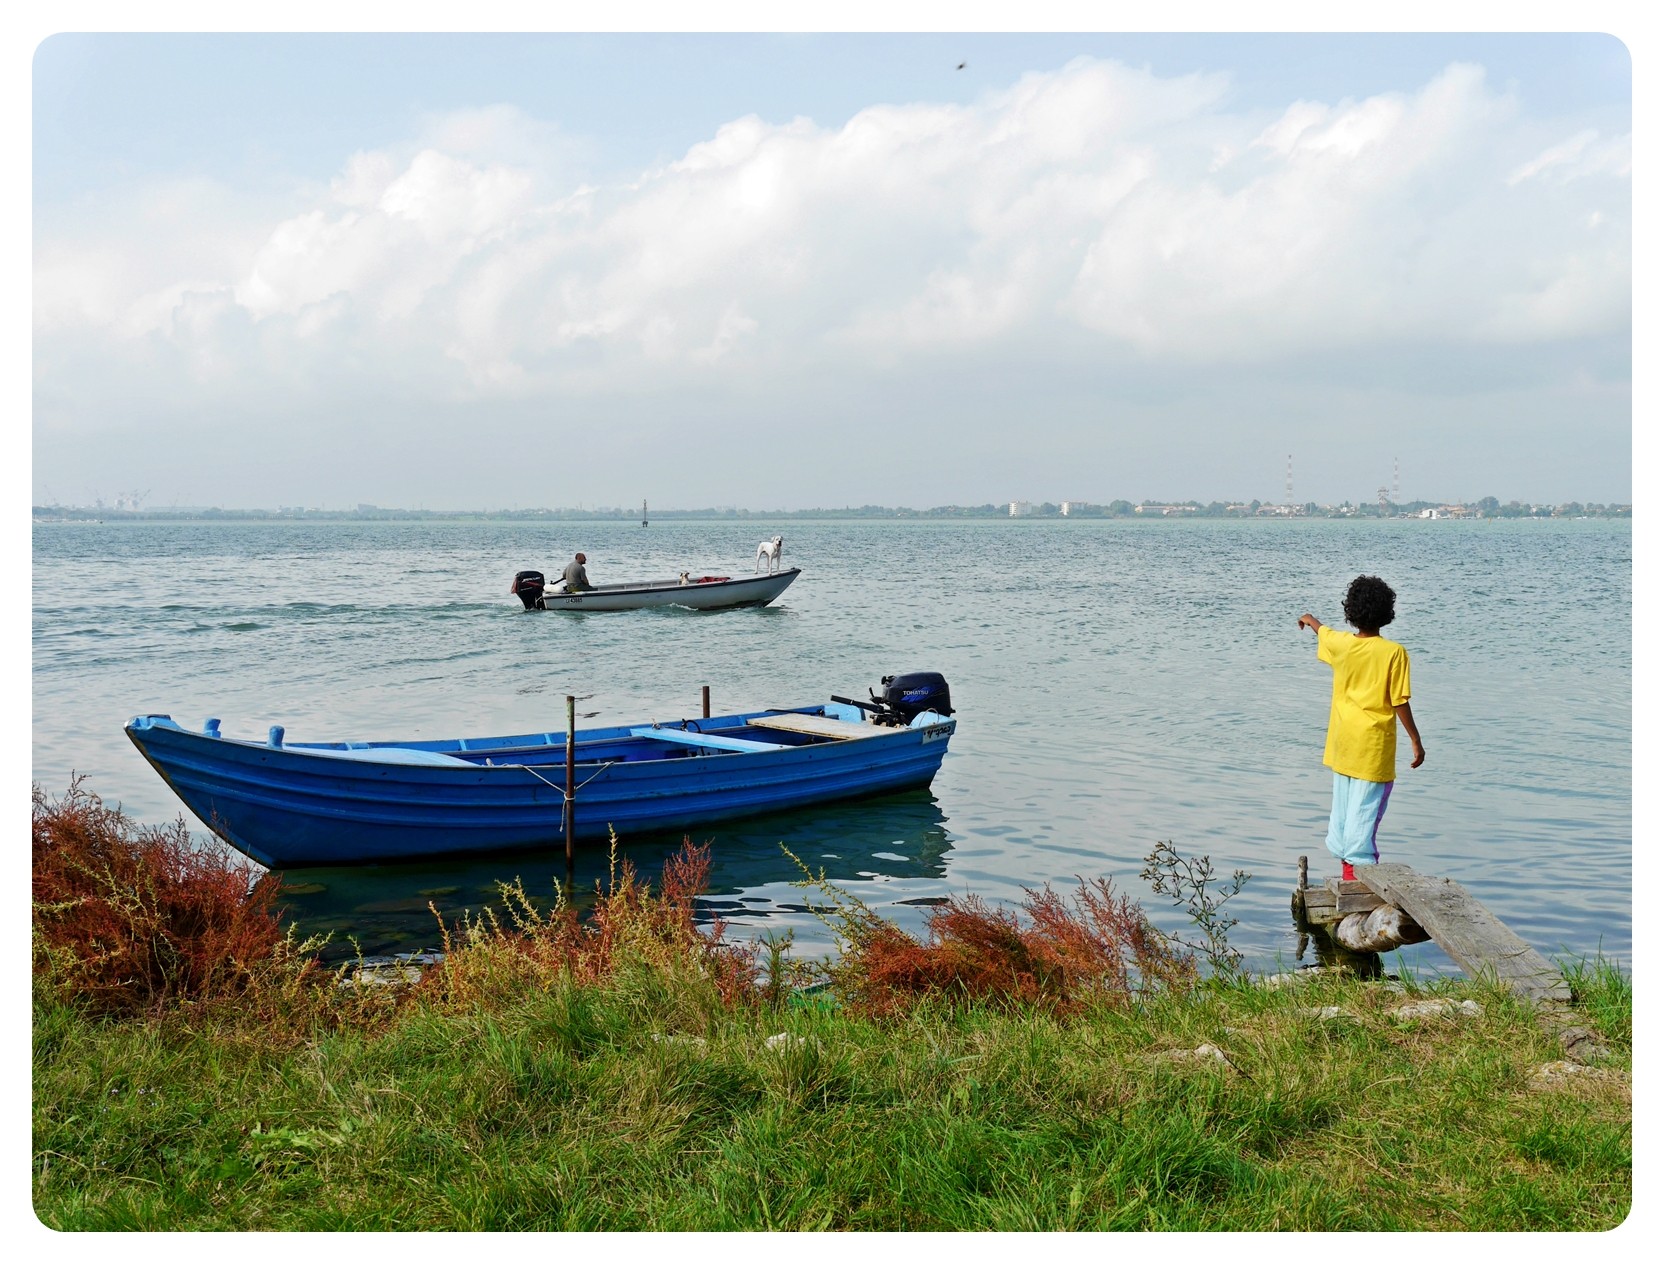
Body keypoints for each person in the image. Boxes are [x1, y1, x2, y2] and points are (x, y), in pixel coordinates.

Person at [1298, 575, 1425, 881]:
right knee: (1366, 812)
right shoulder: (1393, 652)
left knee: (1343, 810)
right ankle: (1359, 876)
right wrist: (1416, 741)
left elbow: (1323, 632)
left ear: (1350, 611)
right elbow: (1398, 701)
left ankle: (1346, 874)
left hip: (1342, 744)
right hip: (1372, 747)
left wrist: (1309, 618)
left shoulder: (1341, 644)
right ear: (1388, 613)